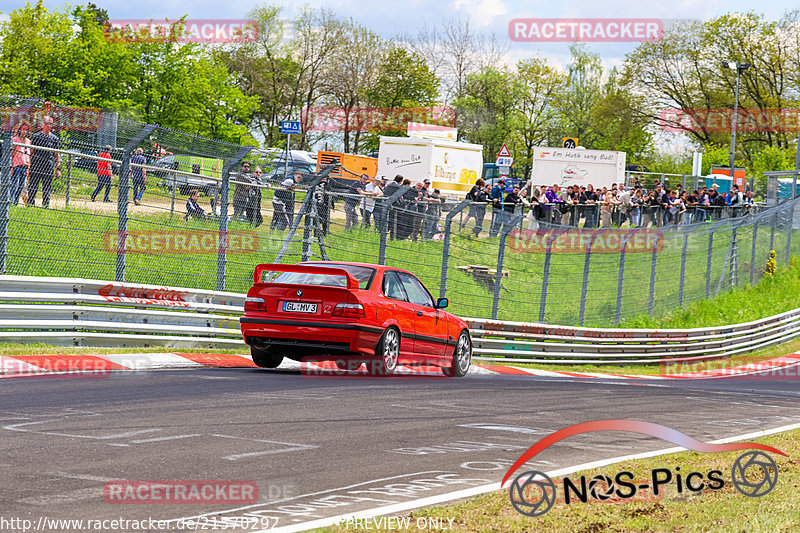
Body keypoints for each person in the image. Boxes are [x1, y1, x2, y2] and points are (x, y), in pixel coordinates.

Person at [27, 116, 61, 208]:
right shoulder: (36, 136)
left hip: (48, 166)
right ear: (42, 124)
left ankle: (45, 205)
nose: (47, 125)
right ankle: (30, 204)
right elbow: (31, 152)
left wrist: (58, 169)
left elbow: (56, 154)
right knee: (33, 186)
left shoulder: (54, 138)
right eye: (46, 123)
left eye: (50, 123)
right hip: (36, 165)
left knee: (47, 187)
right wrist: (28, 166)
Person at [10, 124, 31, 206]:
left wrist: (28, 168)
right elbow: (11, 154)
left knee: (21, 186)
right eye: (23, 129)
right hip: (16, 166)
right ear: (20, 130)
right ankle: (11, 201)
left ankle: (16, 203)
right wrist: (11, 167)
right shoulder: (15, 140)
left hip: (25, 166)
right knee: (15, 185)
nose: (24, 131)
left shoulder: (28, 141)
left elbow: (28, 156)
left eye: (26, 129)